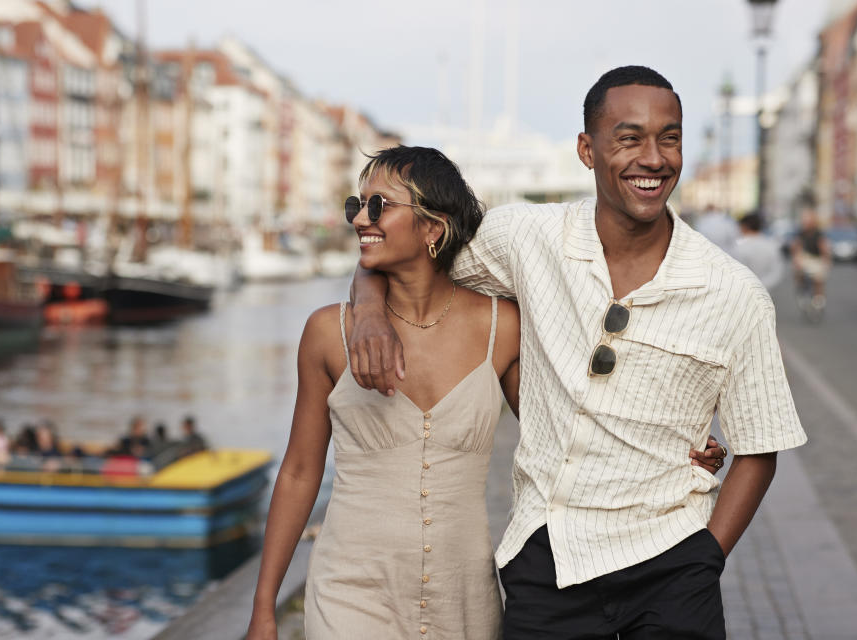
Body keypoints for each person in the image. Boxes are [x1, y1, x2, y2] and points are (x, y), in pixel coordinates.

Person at [349, 67, 805, 639]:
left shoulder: (734, 294)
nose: (654, 157)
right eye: (629, 137)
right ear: (587, 150)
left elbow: (760, 446)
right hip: (548, 558)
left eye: (670, 137)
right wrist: (368, 313)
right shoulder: (525, 238)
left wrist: (706, 557)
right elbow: (405, 249)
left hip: (673, 558)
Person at [248, 145, 726, 639]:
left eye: (379, 206)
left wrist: (671, 452)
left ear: (433, 228)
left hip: (464, 597)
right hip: (349, 591)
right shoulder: (329, 333)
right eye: (356, 205)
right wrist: (264, 608)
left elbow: (566, 432)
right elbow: (300, 472)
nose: (359, 220)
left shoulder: (501, 327)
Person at [791, 190, 831, 310]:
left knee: (819, 278)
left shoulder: (818, 233)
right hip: (806, 256)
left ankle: (819, 299)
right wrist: (796, 258)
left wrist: (826, 260)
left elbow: (824, 247)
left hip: (816, 258)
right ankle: (802, 290)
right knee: (798, 270)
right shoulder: (801, 233)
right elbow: (797, 246)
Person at [734, 211, 784, 291]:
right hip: (766, 293)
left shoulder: (739, 247)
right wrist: (761, 286)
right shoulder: (771, 246)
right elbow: (776, 272)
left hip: (743, 292)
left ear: (745, 226)